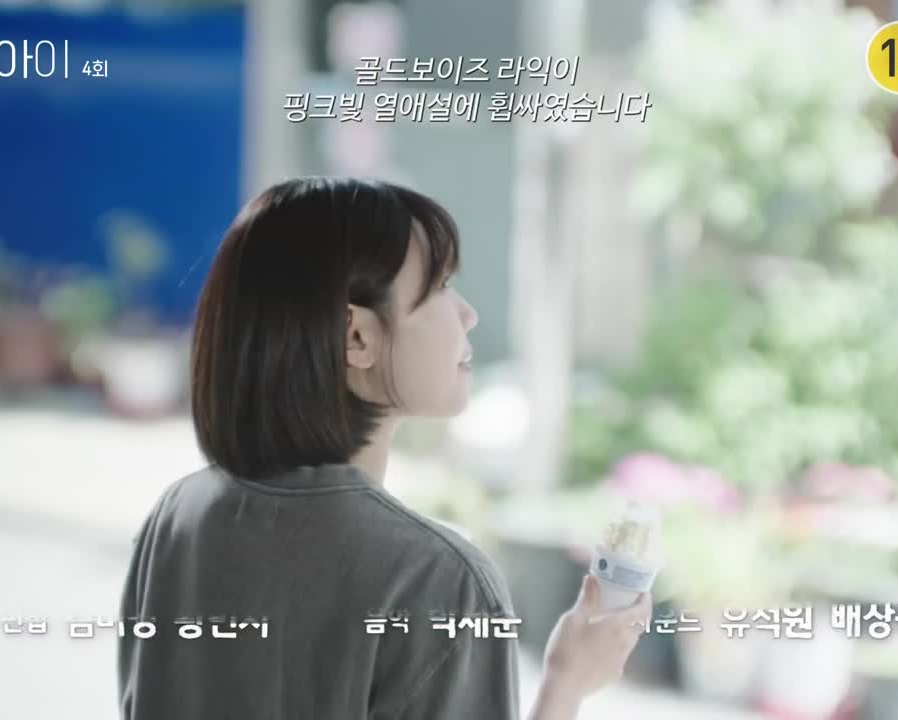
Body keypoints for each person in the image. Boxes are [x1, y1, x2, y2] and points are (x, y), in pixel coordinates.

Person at [117, 177, 651, 720]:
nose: (467, 314)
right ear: (357, 337)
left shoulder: (178, 517)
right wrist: (566, 684)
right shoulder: (437, 579)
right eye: (440, 286)